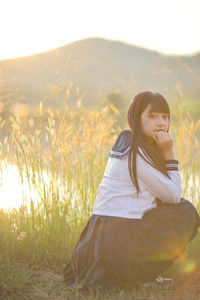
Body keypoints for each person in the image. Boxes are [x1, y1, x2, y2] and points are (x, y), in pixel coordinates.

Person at [63, 91, 200, 291]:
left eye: (165, 117)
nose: (161, 123)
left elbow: (164, 195)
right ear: (137, 118)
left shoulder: (130, 143)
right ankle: (143, 274)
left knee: (175, 208)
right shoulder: (134, 151)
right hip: (115, 241)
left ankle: (139, 271)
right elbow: (173, 196)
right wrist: (170, 154)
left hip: (100, 239)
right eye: (152, 116)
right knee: (185, 211)